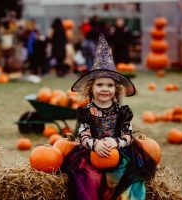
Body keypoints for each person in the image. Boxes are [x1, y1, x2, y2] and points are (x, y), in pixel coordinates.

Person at [62, 34, 157, 200]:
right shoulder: (86, 111)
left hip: (119, 152)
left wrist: (116, 142)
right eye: (99, 85)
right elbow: (83, 135)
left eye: (109, 85)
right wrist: (95, 144)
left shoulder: (123, 111)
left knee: (128, 175)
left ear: (116, 89)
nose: (104, 89)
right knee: (87, 176)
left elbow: (128, 135)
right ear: (91, 88)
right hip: (92, 153)